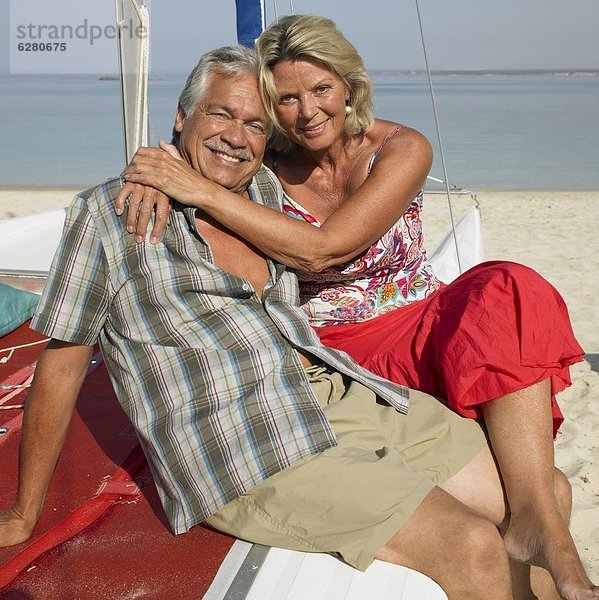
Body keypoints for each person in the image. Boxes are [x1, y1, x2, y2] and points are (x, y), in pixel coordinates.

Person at [0, 45, 531, 600]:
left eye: (255, 123)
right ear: (181, 117)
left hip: (331, 390)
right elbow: (60, 368)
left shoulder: (265, 192)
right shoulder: (111, 216)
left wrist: (175, 171)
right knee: (470, 545)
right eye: (220, 114)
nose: (237, 136)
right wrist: (24, 510)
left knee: (534, 503)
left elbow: (335, 136)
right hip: (241, 440)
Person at [116, 17, 597, 600]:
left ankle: (539, 525)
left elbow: (329, 245)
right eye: (286, 98)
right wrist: (155, 173)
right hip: (340, 353)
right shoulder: (261, 172)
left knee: (509, 286)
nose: (307, 111)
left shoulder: (402, 147)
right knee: (508, 501)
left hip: (423, 327)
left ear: (350, 86)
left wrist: (193, 187)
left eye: (320, 90)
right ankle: (535, 524)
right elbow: (207, 145)